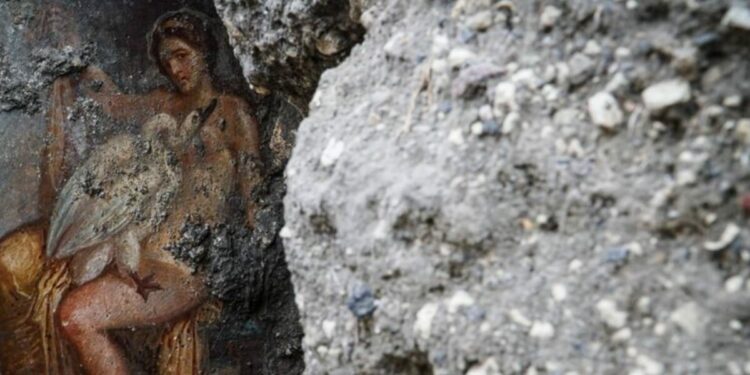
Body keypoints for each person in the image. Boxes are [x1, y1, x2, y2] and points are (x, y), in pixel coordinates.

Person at [41, 8, 260, 374]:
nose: (175, 69)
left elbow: (254, 199)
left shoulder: (233, 114)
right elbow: (112, 102)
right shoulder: (164, 104)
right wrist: (77, 59)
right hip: (139, 256)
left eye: (181, 56)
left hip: (183, 267)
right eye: (167, 61)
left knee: (75, 314)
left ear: (203, 52)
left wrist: (240, 278)